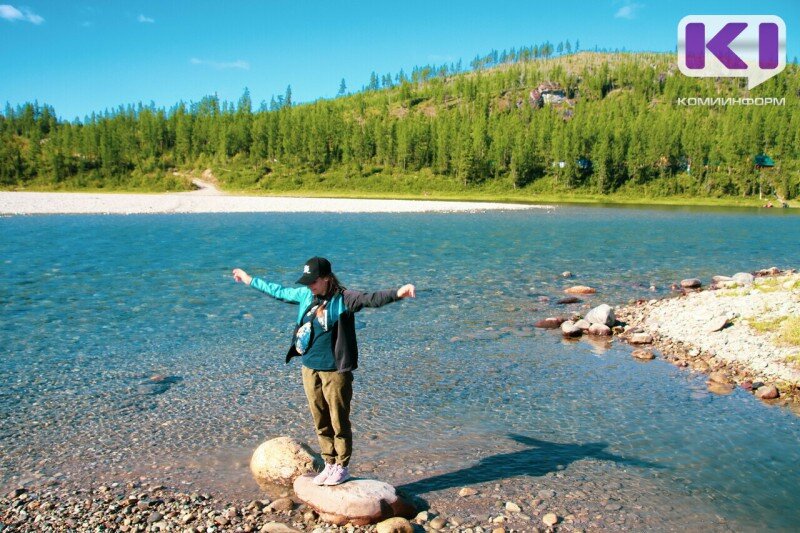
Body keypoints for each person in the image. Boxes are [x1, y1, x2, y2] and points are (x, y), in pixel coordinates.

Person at [232, 257, 415, 486]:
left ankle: (342, 466)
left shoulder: (344, 299)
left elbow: (371, 298)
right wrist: (249, 280)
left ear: (327, 278)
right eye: (307, 281)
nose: (310, 285)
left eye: (314, 281)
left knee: (339, 419)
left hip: (335, 371)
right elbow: (278, 291)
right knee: (320, 418)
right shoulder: (306, 296)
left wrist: (398, 293)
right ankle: (329, 463)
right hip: (309, 367)